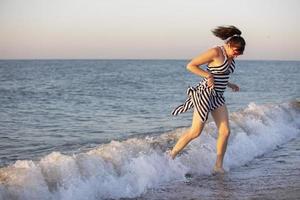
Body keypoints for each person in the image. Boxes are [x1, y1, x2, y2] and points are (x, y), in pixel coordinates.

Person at [170, 25, 246, 174]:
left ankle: (218, 167)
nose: (236, 56)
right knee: (196, 131)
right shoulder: (215, 52)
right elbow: (191, 65)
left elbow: (221, 74)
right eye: (235, 52)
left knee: (225, 131)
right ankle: (170, 156)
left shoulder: (230, 56)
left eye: (239, 55)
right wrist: (208, 76)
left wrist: (229, 84)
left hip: (218, 96)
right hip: (205, 93)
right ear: (229, 45)